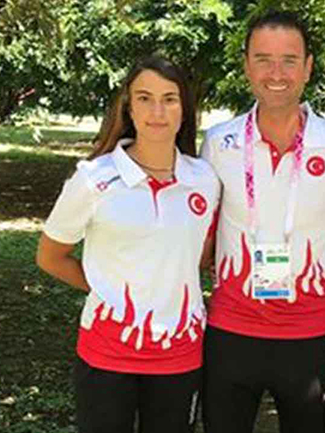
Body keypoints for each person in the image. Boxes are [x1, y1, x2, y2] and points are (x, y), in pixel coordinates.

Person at [36, 56, 220, 433]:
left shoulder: (205, 180)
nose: (157, 112)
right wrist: (109, 289)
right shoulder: (94, 179)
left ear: (184, 108)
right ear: (128, 107)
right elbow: (51, 257)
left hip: (179, 353)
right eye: (144, 98)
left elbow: (201, 256)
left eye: (169, 99)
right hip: (107, 352)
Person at [199, 10, 325, 433]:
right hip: (231, 327)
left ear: (308, 67)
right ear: (247, 65)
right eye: (263, 59)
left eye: (289, 60)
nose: (276, 73)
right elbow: (198, 223)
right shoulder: (218, 142)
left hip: (308, 330)